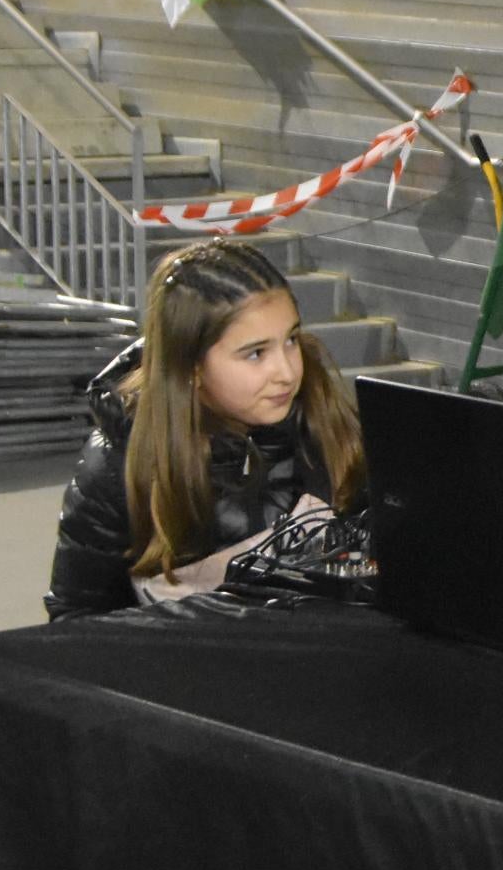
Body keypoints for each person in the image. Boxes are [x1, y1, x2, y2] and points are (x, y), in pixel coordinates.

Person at [47, 237, 364, 618]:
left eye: (291, 340)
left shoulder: (327, 423)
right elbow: (76, 625)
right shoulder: (118, 467)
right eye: (256, 353)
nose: (287, 371)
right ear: (192, 367)